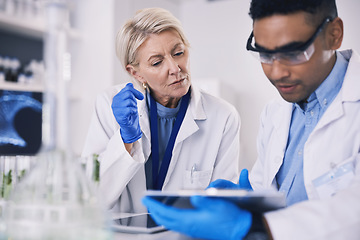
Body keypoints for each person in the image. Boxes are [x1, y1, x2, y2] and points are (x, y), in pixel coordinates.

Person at [142, 0, 360, 239]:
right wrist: (248, 200)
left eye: (294, 53)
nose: (276, 73)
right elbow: (266, 189)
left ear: (334, 35)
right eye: (265, 54)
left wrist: (256, 227)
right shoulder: (275, 112)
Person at [82, 7, 241, 213]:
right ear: (135, 72)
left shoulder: (223, 117)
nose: (175, 68)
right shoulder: (108, 105)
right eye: (157, 62)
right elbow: (91, 199)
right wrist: (125, 140)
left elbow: (221, 205)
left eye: (179, 53)